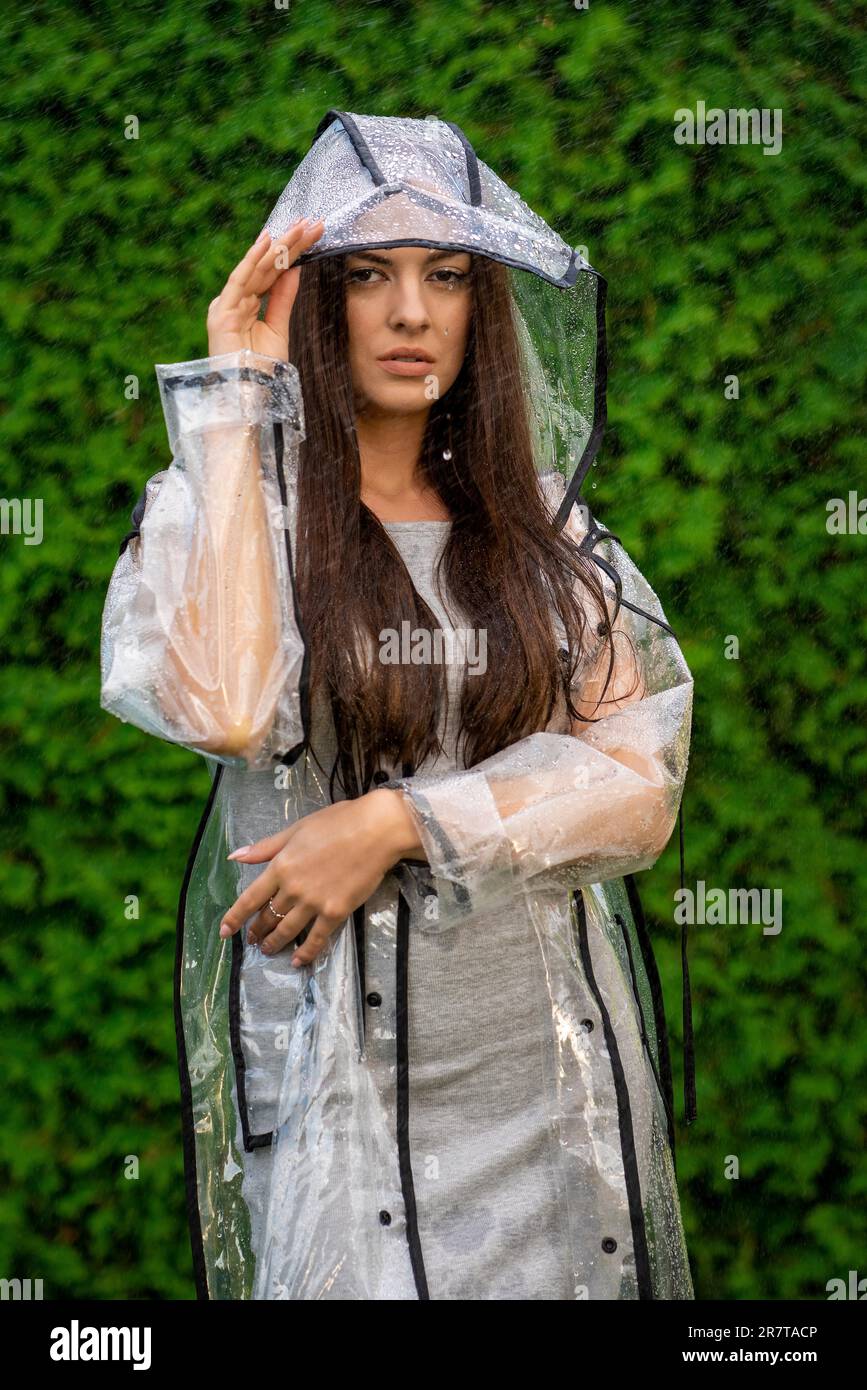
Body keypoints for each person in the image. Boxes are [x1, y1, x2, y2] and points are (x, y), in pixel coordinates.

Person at [100, 111, 695, 1300]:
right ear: (317, 303)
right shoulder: (238, 509)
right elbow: (223, 707)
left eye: (448, 277)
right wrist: (234, 389)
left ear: (485, 308)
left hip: (550, 1081)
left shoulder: (547, 532)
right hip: (343, 1092)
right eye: (368, 276)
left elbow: (638, 788)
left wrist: (396, 824)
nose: (412, 314)